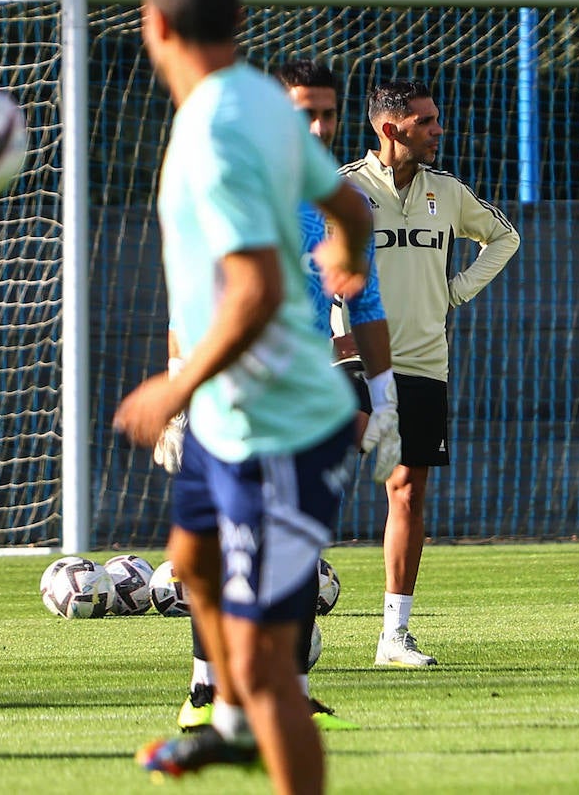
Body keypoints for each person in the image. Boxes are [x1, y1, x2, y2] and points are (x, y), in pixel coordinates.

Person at [115, 0, 373, 792]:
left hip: (282, 428)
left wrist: (172, 385)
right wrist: (349, 251)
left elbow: (257, 290)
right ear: (239, 22)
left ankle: (250, 719)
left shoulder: (213, 137)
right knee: (188, 565)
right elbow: (346, 204)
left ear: (153, 24)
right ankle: (225, 724)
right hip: (228, 424)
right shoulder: (262, 100)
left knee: (270, 673)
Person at [163, 58, 397, 737]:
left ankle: (288, 694)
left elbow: (367, 303)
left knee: (292, 548)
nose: (317, 127)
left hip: (303, 400)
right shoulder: (234, 186)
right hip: (225, 395)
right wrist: (178, 395)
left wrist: (383, 399)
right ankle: (207, 689)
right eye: (303, 113)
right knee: (213, 550)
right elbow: (189, 299)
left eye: (327, 113)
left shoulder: (343, 206)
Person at [339, 79, 520, 666]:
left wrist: (457, 291)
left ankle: (393, 635)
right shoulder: (343, 189)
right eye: (427, 121)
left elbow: (503, 236)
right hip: (346, 364)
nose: (439, 128)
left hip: (421, 364)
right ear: (392, 129)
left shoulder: (447, 191)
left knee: (407, 493)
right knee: (306, 482)